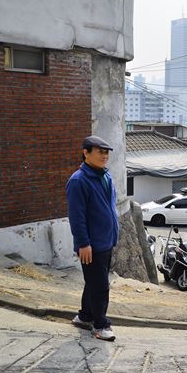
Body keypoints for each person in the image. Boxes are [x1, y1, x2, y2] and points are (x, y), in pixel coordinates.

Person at [66, 135, 118, 341]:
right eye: (100, 152)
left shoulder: (105, 176)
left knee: (93, 283)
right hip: (91, 245)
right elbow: (76, 217)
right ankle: (100, 325)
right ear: (86, 153)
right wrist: (83, 243)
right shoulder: (78, 181)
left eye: (106, 152)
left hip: (106, 241)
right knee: (100, 286)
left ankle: (85, 316)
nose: (104, 156)